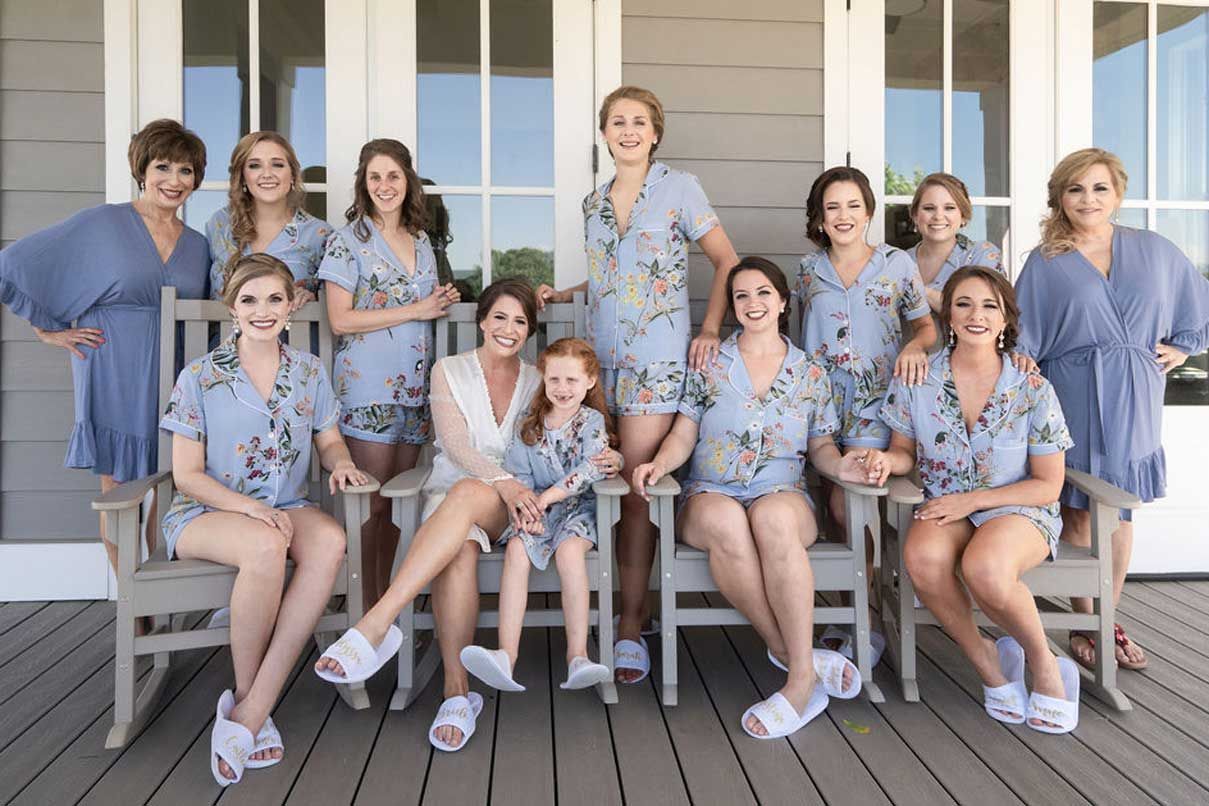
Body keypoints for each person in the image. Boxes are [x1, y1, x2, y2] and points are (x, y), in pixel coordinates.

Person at [313, 280, 623, 752]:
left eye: (520, 321)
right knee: (459, 538)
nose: (508, 328)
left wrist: (611, 460)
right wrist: (506, 483)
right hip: (467, 496)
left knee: (465, 501)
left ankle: (376, 626)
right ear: (482, 320)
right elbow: (456, 446)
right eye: (499, 317)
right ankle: (456, 693)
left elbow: (582, 435)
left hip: (523, 506)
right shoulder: (448, 370)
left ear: (529, 333)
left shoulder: (543, 382)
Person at [535, 85, 740, 683]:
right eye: (617, 122)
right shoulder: (592, 204)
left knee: (633, 490)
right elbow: (608, 278)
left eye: (639, 122)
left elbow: (726, 259)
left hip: (657, 361)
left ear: (655, 133)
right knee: (601, 481)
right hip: (600, 363)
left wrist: (708, 327)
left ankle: (629, 623)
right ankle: (615, 608)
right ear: (604, 134)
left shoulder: (681, 188)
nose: (628, 131)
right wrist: (563, 293)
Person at [631, 257, 866, 740]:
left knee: (773, 522)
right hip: (709, 490)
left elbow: (820, 445)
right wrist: (661, 462)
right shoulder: (709, 363)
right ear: (733, 306)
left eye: (763, 293)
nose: (752, 303)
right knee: (726, 524)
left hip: (783, 491)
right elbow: (684, 431)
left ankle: (798, 681)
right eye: (741, 295)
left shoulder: (810, 373)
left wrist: (840, 466)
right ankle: (796, 659)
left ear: (783, 302)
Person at [159, 254, 369, 785]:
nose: (262, 310)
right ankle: (254, 704)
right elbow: (186, 475)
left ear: (291, 305)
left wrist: (342, 464)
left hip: (288, 507)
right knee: (263, 546)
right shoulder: (200, 377)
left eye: (274, 298)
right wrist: (251, 508)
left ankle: (250, 708)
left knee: (330, 543)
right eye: (249, 299)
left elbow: (328, 440)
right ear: (232, 307)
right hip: (209, 512)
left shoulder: (308, 371)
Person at [861, 266, 1081, 734]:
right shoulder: (917, 378)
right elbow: (903, 451)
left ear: (1005, 319)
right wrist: (886, 464)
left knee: (985, 567)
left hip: (1019, 508)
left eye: (989, 305)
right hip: (946, 503)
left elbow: (1047, 484)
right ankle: (985, 658)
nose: (975, 314)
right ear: (948, 316)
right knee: (920, 556)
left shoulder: (1031, 387)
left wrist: (976, 500)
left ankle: (1043, 662)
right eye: (963, 303)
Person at [1015, 148, 1209, 672]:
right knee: (1079, 507)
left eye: (1099, 188)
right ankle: (1088, 623)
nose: (1088, 199)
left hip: (1135, 390)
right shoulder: (1046, 260)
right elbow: (1022, 338)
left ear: (1117, 194)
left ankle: (1107, 617)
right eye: (1076, 189)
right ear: (1060, 197)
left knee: (1120, 509)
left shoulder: (1155, 251)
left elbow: (1196, 302)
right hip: (1070, 390)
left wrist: (1184, 346)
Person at [0, 118, 209, 576]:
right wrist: (47, 330)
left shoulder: (199, 245)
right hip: (112, 362)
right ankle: (133, 604)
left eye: (186, 171)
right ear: (142, 170)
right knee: (118, 487)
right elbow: (16, 265)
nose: (174, 181)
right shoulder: (103, 222)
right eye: (163, 167)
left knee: (171, 483)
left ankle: (156, 591)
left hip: (176, 370)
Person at [795, 165, 936, 660]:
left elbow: (925, 328)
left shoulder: (897, 265)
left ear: (869, 212)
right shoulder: (808, 270)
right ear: (819, 217)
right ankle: (842, 609)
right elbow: (795, 335)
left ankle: (868, 614)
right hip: (820, 401)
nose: (843, 215)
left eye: (853, 205)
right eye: (832, 207)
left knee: (849, 506)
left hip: (877, 402)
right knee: (828, 504)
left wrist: (916, 347)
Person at [318, 139, 460, 608]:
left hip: (415, 390)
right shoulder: (348, 241)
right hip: (369, 389)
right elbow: (341, 319)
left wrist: (439, 302)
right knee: (370, 506)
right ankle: (364, 610)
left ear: (408, 181)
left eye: (393, 176)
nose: (384, 186)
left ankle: (388, 606)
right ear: (363, 182)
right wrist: (417, 306)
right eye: (375, 177)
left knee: (399, 506)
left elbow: (424, 309)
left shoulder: (420, 240)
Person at [460, 338, 615, 693]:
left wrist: (548, 498)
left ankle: (577, 655)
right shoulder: (531, 423)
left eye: (572, 381)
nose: (562, 389)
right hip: (538, 506)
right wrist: (529, 506)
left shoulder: (590, 422)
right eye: (555, 380)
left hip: (578, 508)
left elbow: (591, 469)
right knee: (516, 550)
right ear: (544, 379)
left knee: (570, 551)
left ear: (590, 382)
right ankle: (506, 656)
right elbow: (520, 474)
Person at [206, 131, 331, 306]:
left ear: (293, 174)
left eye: (277, 165)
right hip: (225, 333)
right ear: (242, 176)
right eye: (255, 166)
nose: (267, 174)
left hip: (293, 333)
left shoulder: (320, 234)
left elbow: (333, 303)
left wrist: (313, 299)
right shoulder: (220, 224)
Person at [904, 172, 1004, 315]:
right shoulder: (900, 260)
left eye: (949, 208)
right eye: (929, 208)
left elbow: (984, 313)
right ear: (915, 215)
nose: (938, 216)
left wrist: (919, 290)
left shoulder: (982, 255)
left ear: (963, 216)